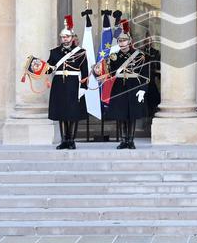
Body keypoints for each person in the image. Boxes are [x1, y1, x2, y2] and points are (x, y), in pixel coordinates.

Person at [99, 33, 150, 150]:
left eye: (124, 40)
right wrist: (98, 70)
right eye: (120, 40)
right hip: (119, 86)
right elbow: (109, 73)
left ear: (130, 41)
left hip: (133, 86)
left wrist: (142, 90)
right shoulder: (113, 56)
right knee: (120, 114)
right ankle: (123, 140)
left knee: (131, 115)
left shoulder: (139, 55)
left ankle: (130, 140)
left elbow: (145, 75)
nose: (122, 42)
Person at [47, 15, 89, 150]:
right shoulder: (54, 52)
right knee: (61, 113)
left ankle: (72, 140)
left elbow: (85, 71)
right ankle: (64, 140)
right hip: (59, 85)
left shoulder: (81, 52)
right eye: (63, 37)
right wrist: (39, 67)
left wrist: (83, 87)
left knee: (73, 113)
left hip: (73, 84)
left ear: (72, 38)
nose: (65, 39)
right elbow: (49, 69)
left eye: (67, 37)